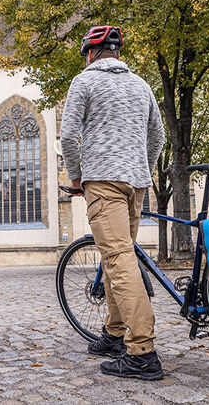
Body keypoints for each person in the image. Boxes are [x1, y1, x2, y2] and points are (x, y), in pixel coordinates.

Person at [61, 25, 166, 381]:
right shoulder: (142, 85)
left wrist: (75, 176)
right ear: (117, 53)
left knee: (119, 259)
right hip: (135, 183)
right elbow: (159, 136)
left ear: (90, 54)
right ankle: (114, 332)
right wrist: (143, 167)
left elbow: (68, 134)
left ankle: (142, 352)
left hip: (103, 181)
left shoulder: (84, 82)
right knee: (119, 254)